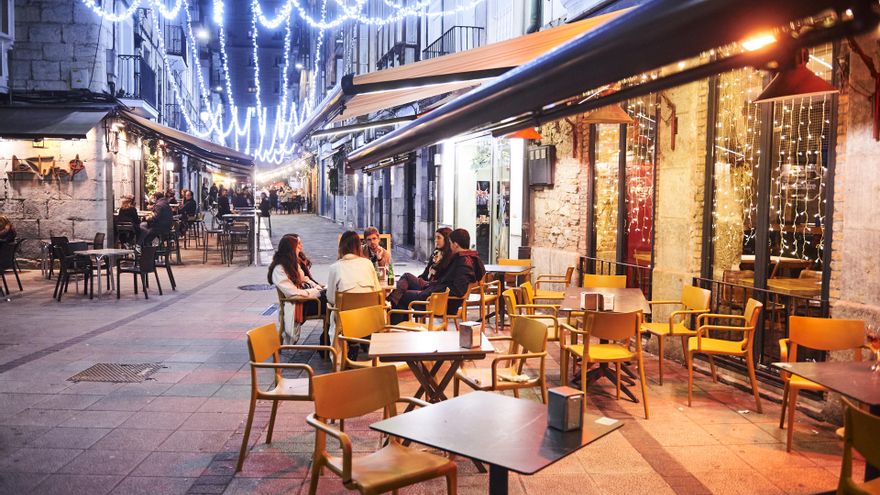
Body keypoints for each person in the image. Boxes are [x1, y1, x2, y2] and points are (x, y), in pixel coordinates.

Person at [390, 228, 484, 324]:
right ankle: (399, 325)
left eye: (450, 242)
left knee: (402, 296)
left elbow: (458, 290)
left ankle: (396, 327)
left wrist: (432, 290)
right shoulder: (468, 259)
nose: (450, 245)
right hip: (436, 294)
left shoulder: (463, 263)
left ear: (455, 245)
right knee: (404, 286)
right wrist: (433, 286)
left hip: (441, 302)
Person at [325, 231, 383, 343]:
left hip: (346, 319)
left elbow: (331, 298)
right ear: (359, 246)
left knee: (332, 311)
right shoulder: (368, 264)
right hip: (369, 317)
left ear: (341, 247)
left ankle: (343, 348)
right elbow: (378, 291)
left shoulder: (335, 268)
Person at [268, 234, 326, 344]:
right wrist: (316, 291)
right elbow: (292, 293)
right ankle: (328, 341)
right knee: (331, 304)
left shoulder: (293, 264)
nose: (301, 247)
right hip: (301, 303)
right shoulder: (279, 269)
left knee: (332, 299)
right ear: (291, 248)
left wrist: (317, 286)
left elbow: (305, 279)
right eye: (298, 245)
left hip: (307, 299)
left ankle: (329, 340)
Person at [388, 227, 452, 306]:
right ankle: (394, 303)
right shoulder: (436, 253)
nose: (436, 240)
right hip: (426, 283)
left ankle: (392, 300)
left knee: (406, 276)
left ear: (446, 240)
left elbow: (442, 279)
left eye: (439, 238)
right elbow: (426, 271)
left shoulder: (449, 257)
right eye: (435, 237)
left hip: (432, 287)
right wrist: (418, 279)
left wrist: (423, 282)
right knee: (405, 285)